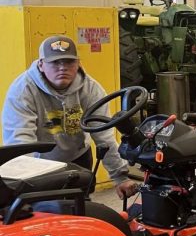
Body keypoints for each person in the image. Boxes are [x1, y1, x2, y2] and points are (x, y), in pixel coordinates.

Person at [1, 36, 140, 199]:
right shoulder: (22, 91)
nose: (62, 68)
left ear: (78, 64)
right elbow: (21, 141)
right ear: (41, 64)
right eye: (55, 62)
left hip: (78, 156)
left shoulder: (90, 89)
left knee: (82, 208)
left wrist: (120, 177)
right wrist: (25, 186)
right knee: (44, 212)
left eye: (69, 62)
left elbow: (104, 136)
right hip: (40, 162)